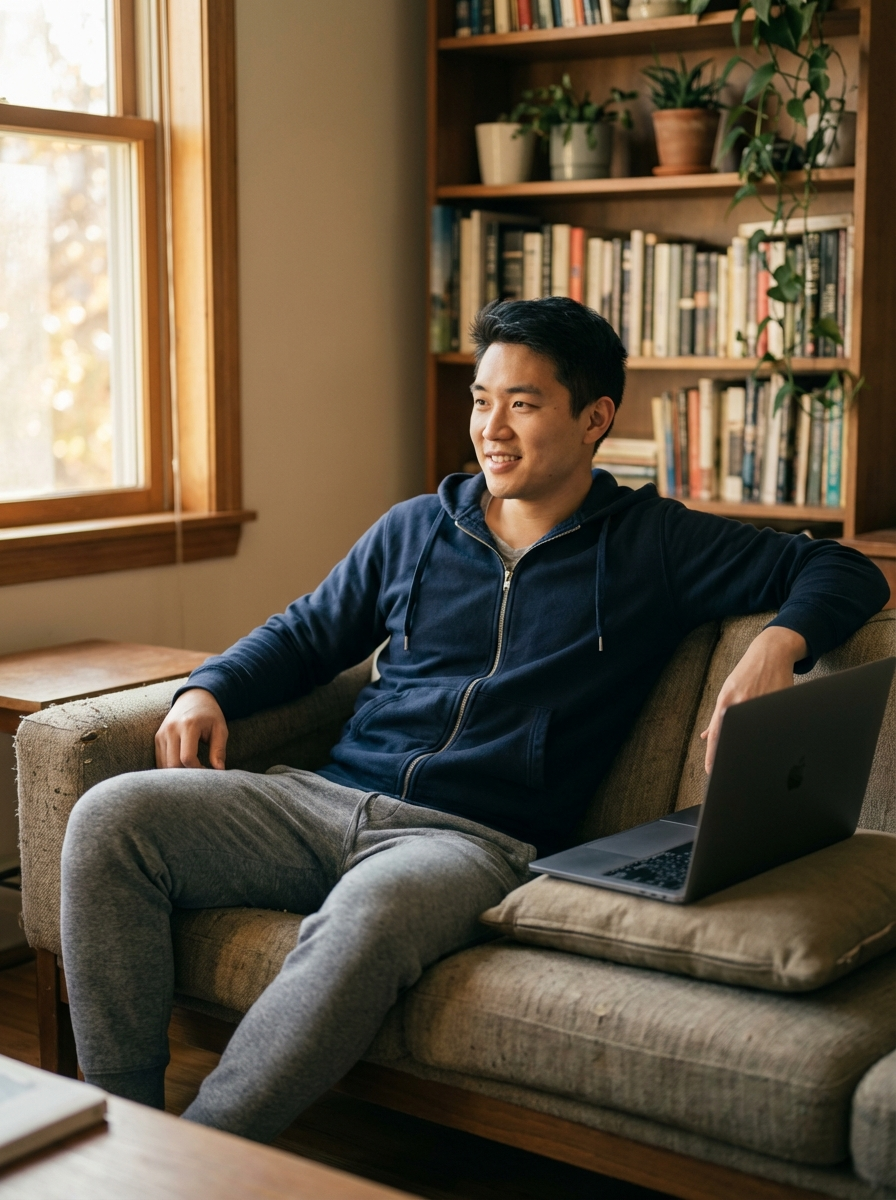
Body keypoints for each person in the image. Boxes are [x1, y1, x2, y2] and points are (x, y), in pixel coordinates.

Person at [60, 298, 888, 1143]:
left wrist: (779, 644)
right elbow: (307, 633)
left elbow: (841, 569)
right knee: (111, 817)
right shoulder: (418, 527)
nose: (492, 427)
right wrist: (208, 688)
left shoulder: (653, 544)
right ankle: (121, 1124)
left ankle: (194, 1158)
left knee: (370, 917)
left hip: (466, 841)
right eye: (481, 399)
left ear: (595, 417)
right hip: (316, 802)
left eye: (523, 403)